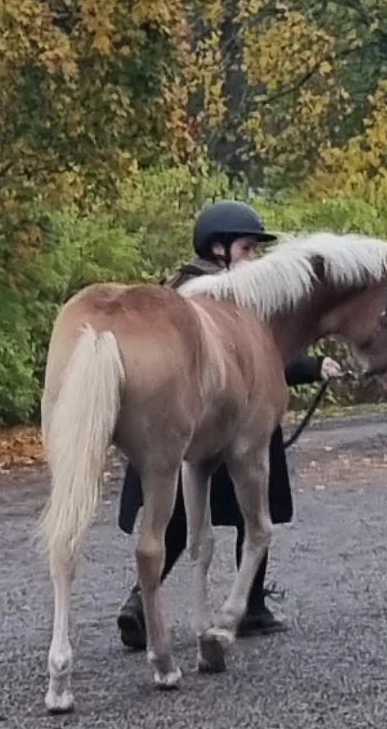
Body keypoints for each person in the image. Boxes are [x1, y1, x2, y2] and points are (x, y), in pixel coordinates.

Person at [116, 199, 342, 650]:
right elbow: (252, 353)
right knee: (230, 511)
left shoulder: (195, 288)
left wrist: (310, 368)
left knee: (207, 515)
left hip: (205, 417)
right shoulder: (211, 294)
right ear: (218, 249)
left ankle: (172, 601)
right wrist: (308, 367)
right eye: (246, 248)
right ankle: (166, 602)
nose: (253, 258)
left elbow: (262, 353)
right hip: (210, 419)